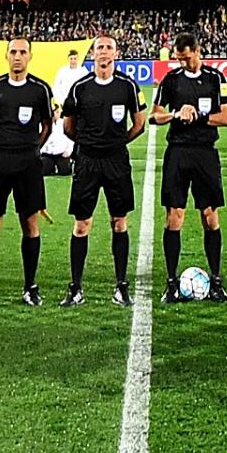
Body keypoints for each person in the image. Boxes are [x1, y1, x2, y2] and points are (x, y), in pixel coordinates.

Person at [61, 33, 145, 307]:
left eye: (109, 47)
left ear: (116, 53)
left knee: (119, 222)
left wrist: (117, 143)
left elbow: (139, 123)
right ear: (93, 54)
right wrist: (89, 145)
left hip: (116, 161)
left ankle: (121, 286)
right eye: (100, 48)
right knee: (82, 225)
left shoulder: (128, 86)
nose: (104, 52)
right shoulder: (80, 87)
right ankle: (75, 288)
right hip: (87, 162)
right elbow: (68, 127)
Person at [0, 38, 55, 306]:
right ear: (6, 56)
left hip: (28, 162)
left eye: (22, 52)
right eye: (13, 52)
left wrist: (31, 148)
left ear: (30, 56)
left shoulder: (40, 89)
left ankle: (30, 286)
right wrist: (0, 145)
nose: (17, 56)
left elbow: (46, 126)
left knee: (30, 223)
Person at [155, 30, 227, 302]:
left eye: (186, 58)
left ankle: (216, 281)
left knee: (210, 216)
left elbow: (226, 118)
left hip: (205, 154)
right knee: (174, 216)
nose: (182, 63)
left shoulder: (216, 79)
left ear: (197, 52)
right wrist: (176, 114)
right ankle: (172, 282)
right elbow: (155, 115)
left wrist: (197, 115)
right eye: (178, 59)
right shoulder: (171, 80)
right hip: (177, 153)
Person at [45, 47, 89, 176]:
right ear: (68, 59)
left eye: (75, 58)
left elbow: (86, 88)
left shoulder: (83, 71)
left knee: (79, 130)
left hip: (79, 106)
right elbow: (56, 87)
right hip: (65, 105)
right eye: (71, 58)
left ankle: (75, 155)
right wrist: (62, 101)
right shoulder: (62, 72)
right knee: (65, 128)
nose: (73, 61)